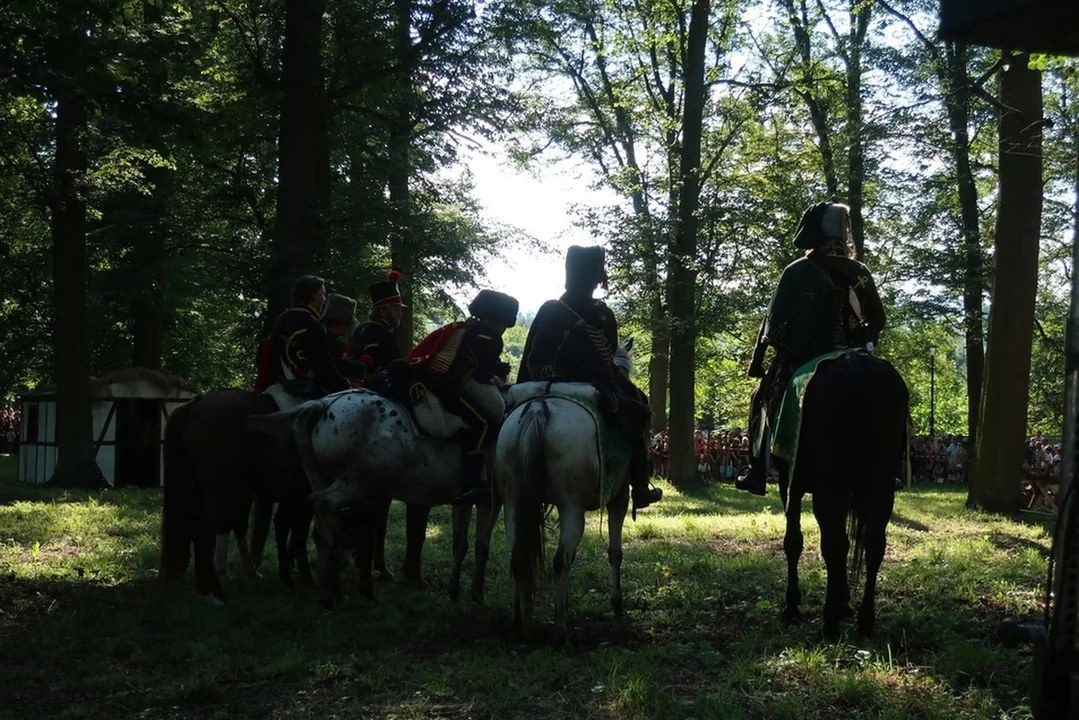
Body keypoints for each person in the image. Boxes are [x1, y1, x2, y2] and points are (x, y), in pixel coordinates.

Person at [737, 202, 887, 496]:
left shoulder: (797, 270)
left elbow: (773, 322)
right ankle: (887, 466)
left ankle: (756, 471)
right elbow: (877, 318)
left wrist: (758, 360)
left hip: (802, 358)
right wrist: (867, 343)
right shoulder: (859, 270)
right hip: (854, 354)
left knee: (760, 398)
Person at [517, 245, 662, 514]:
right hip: (590, 384)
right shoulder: (603, 314)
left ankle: (488, 476)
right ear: (597, 277)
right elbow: (607, 357)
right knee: (639, 407)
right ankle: (640, 486)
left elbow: (533, 356)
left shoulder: (550, 309)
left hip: (540, 381)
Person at [408, 289, 518, 506]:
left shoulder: (466, 327)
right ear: (499, 319)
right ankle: (472, 482)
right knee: (486, 423)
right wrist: (497, 378)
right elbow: (483, 375)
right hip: (450, 387)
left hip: (435, 381)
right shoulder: (491, 337)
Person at [253, 274, 351, 398]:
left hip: (277, 380)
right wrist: (344, 387)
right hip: (302, 387)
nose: (324, 300)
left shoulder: (283, 317)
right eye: (322, 294)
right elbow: (322, 363)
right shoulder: (310, 322)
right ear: (313, 294)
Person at [348, 270, 406, 376]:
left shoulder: (360, 329)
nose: (400, 314)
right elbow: (398, 372)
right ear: (383, 311)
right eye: (396, 309)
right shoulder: (386, 336)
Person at [320, 293, 368, 388]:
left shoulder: (326, 338)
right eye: (346, 325)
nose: (346, 330)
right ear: (334, 324)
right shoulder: (329, 344)